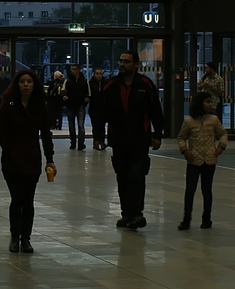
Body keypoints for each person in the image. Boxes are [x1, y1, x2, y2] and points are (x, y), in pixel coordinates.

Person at [103, 49, 165, 230]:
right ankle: (126, 214)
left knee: (137, 176)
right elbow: (101, 112)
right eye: (121, 61)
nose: (122, 64)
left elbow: (155, 111)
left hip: (140, 139)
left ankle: (137, 213)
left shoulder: (145, 85)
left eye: (127, 61)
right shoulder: (111, 86)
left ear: (136, 65)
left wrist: (157, 135)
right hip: (118, 140)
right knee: (122, 177)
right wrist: (99, 136)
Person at [0, 69, 55, 254]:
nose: (26, 85)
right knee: (17, 199)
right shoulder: (9, 105)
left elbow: (46, 134)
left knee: (28, 200)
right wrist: (10, 150)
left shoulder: (40, 106)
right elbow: (1, 131)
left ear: (34, 84)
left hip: (32, 159)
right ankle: (15, 237)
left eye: (29, 81)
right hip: (12, 160)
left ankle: (26, 239)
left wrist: (50, 159)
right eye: (22, 82)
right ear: (17, 84)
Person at [177, 91, 228, 230]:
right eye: (208, 102)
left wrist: (221, 147)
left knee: (207, 190)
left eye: (211, 102)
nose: (211, 105)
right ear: (200, 104)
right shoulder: (189, 121)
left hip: (210, 160)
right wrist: (185, 150)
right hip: (194, 160)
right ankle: (186, 218)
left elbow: (223, 134)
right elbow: (181, 137)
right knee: (190, 190)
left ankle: (207, 218)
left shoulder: (214, 120)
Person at [62, 64, 91, 150]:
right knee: (72, 125)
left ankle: (80, 143)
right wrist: (64, 96)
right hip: (71, 105)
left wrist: (87, 98)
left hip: (80, 105)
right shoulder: (68, 81)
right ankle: (74, 142)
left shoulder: (85, 81)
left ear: (79, 70)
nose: (72, 71)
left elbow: (88, 93)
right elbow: (63, 91)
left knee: (80, 125)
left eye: (74, 69)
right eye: (72, 69)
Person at [89, 68, 108, 151]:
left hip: (103, 108)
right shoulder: (90, 83)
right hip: (94, 107)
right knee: (95, 125)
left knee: (102, 126)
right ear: (94, 74)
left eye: (100, 73)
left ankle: (102, 141)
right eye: (97, 73)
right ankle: (96, 141)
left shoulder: (105, 83)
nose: (99, 75)